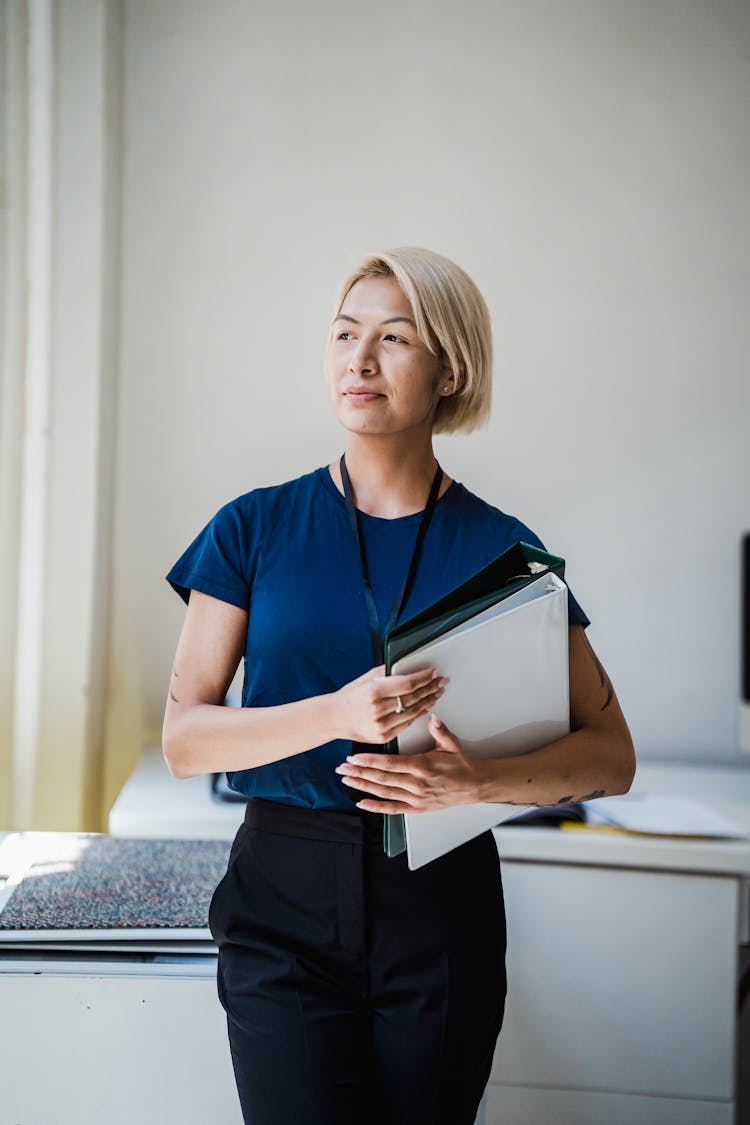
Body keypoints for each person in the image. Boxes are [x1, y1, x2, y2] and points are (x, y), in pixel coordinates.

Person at [162, 246, 635, 1125]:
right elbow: (185, 739)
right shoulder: (251, 527)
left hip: (440, 907)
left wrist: (475, 782)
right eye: (345, 334)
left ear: (449, 368)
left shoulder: (507, 553)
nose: (359, 359)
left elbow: (612, 756)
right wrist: (336, 713)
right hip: (282, 900)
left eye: (394, 337)